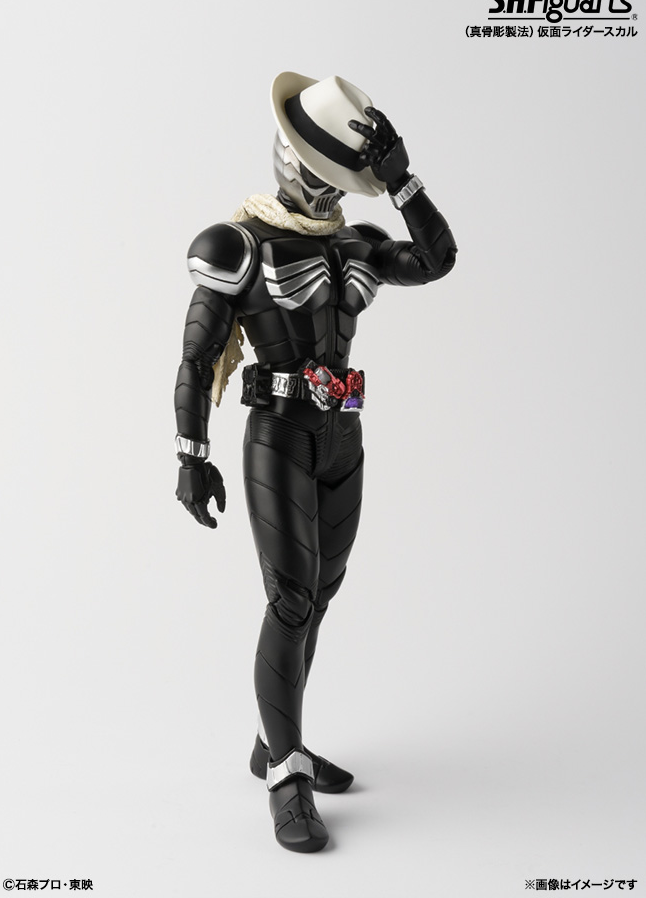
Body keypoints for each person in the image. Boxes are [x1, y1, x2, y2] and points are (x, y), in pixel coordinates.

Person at [174, 72, 457, 852]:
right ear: (293, 157)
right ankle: (286, 776)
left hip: (343, 435)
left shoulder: (354, 243)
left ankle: (275, 738)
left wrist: (403, 181)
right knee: (292, 600)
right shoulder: (239, 244)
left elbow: (437, 259)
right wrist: (191, 454)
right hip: (278, 434)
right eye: (325, 169)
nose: (333, 187)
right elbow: (196, 359)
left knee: (319, 595)